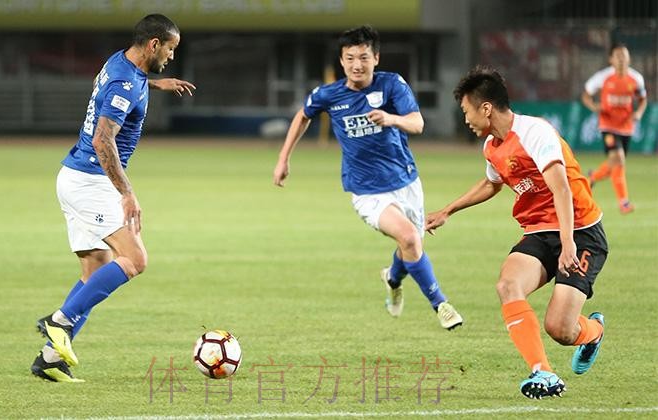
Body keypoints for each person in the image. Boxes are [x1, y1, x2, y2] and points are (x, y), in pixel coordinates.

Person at [31, 14, 195, 382]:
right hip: (91, 182)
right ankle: (59, 321)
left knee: (95, 271)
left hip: (76, 176)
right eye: (170, 49)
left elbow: (117, 86)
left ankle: (49, 360)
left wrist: (155, 84)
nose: (171, 56)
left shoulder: (120, 62)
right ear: (154, 44)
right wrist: (127, 193)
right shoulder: (126, 82)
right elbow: (102, 139)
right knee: (135, 259)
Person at [426, 66, 608, 399]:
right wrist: (448, 210)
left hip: (580, 231)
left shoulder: (534, 133)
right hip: (539, 231)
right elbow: (491, 183)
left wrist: (568, 243)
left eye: (466, 111)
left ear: (485, 108)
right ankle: (543, 372)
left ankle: (593, 331)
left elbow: (562, 188)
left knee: (560, 329)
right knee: (507, 285)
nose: (465, 119)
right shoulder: (492, 146)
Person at [273, 25, 463, 330]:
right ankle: (441, 305)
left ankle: (392, 278)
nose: (356, 65)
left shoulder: (392, 85)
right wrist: (284, 158)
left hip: (406, 182)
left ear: (376, 58)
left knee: (411, 246)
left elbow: (417, 124)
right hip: (367, 192)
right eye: (350, 58)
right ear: (341, 60)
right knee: (410, 238)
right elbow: (303, 116)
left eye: (363, 57)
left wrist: (391, 119)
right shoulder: (329, 94)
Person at [581, 42, 647, 214]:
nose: (621, 59)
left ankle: (592, 177)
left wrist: (639, 112)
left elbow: (643, 99)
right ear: (611, 59)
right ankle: (624, 203)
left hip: (626, 127)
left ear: (629, 58)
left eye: (624, 56)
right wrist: (594, 106)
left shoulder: (636, 79)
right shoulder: (603, 77)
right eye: (618, 56)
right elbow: (586, 95)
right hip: (608, 125)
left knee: (618, 163)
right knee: (619, 158)